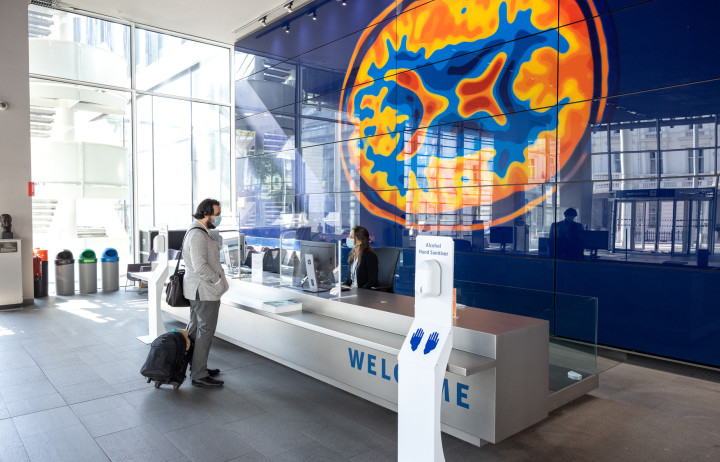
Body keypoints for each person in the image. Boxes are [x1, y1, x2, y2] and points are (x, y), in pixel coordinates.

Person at [183, 198, 229, 388]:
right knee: (205, 332)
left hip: (199, 291)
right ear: (205, 213)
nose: (218, 218)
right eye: (216, 214)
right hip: (204, 291)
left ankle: (197, 367)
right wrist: (217, 282)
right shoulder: (197, 235)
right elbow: (200, 266)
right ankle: (199, 375)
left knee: (196, 331)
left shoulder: (201, 231)